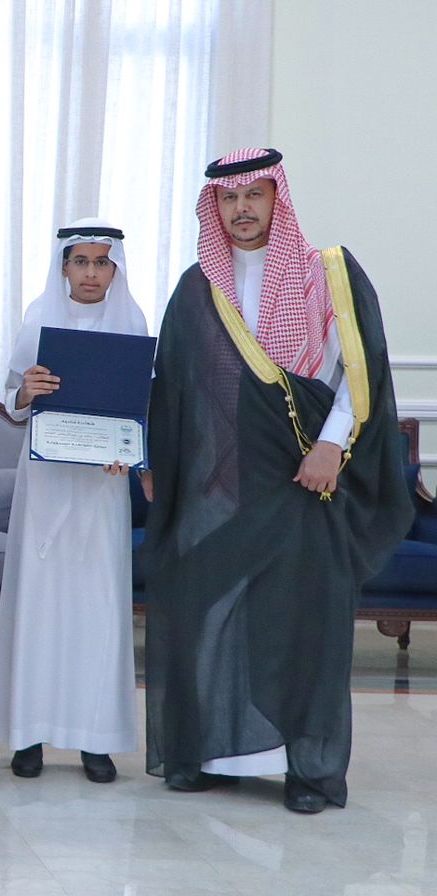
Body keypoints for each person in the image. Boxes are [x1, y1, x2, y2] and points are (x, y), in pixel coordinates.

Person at [143, 148, 411, 813]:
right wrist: (160, 463)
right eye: (229, 198)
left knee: (304, 620)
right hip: (226, 487)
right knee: (205, 604)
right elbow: (175, 391)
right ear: (215, 207)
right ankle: (213, 753)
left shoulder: (329, 273)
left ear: (276, 199)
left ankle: (307, 769)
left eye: (253, 196)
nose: (241, 209)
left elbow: (358, 373)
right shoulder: (198, 288)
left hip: (306, 476)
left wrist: (329, 447)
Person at [0, 218, 148, 784]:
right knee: (40, 601)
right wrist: (26, 393)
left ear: (115, 269)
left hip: (101, 486)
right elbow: (15, 400)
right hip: (47, 483)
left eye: (102, 262)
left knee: (97, 605)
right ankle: (29, 734)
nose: (91, 273)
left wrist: (130, 451)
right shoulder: (38, 319)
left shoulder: (132, 323)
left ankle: (94, 739)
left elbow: (141, 408)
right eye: (81, 261)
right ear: (64, 267)